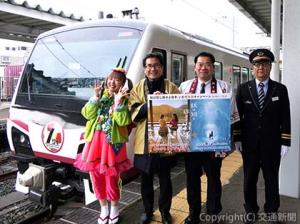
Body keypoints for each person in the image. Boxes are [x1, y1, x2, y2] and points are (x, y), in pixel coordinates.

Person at [179, 52, 240, 224]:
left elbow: (231, 117)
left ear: (213, 67)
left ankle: (213, 212)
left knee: (214, 177)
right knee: (192, 178)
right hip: (191, 142)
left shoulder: (224, 87)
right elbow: (179, 111)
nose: (203, 67)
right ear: (195, 67)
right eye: (200, 64)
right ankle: (194, 213)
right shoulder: (184, 86)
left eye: (207, 64)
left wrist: (226, 143)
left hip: (215, 142)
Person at [236, 49, 291, 224]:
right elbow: (237, 116)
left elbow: (285, 116)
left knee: (271, 180)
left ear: (270, 67)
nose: (261, 67)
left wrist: (285, 142)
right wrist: (236, 138)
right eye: (257, 64)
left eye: (265, 64)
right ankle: (251, 210)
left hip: (272, 145)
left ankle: (272, 211)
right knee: (249, 180)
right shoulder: (244, 89)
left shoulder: (280, 89)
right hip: (249, 145)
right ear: (252, 68)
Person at [74, 68, 133, 224]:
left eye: (117, 80)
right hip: (95, 143)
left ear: (122, 84)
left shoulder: (125, 99)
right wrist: (95, 97)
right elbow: (87, 114)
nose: (112, 82)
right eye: (110, 79)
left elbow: (123, 121)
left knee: (112, 178)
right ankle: (103, 208)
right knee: (96, 176)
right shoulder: (100, 96)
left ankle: (114, 208)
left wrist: (119, 103)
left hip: (112, 144)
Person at [128, 52, 180, 224]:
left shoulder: (171, 87)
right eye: (149, 66)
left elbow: (179, 112)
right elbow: (133, 114)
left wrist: (162, 102)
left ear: (162, 68)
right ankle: (148, 211)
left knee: (166, 180)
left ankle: (165, 212)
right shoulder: (137, 88)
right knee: (145, 181)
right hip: (143, 143)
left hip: (165, 141)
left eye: (156, 65)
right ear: (145, 69)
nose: (153, 69)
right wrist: (151, 102)